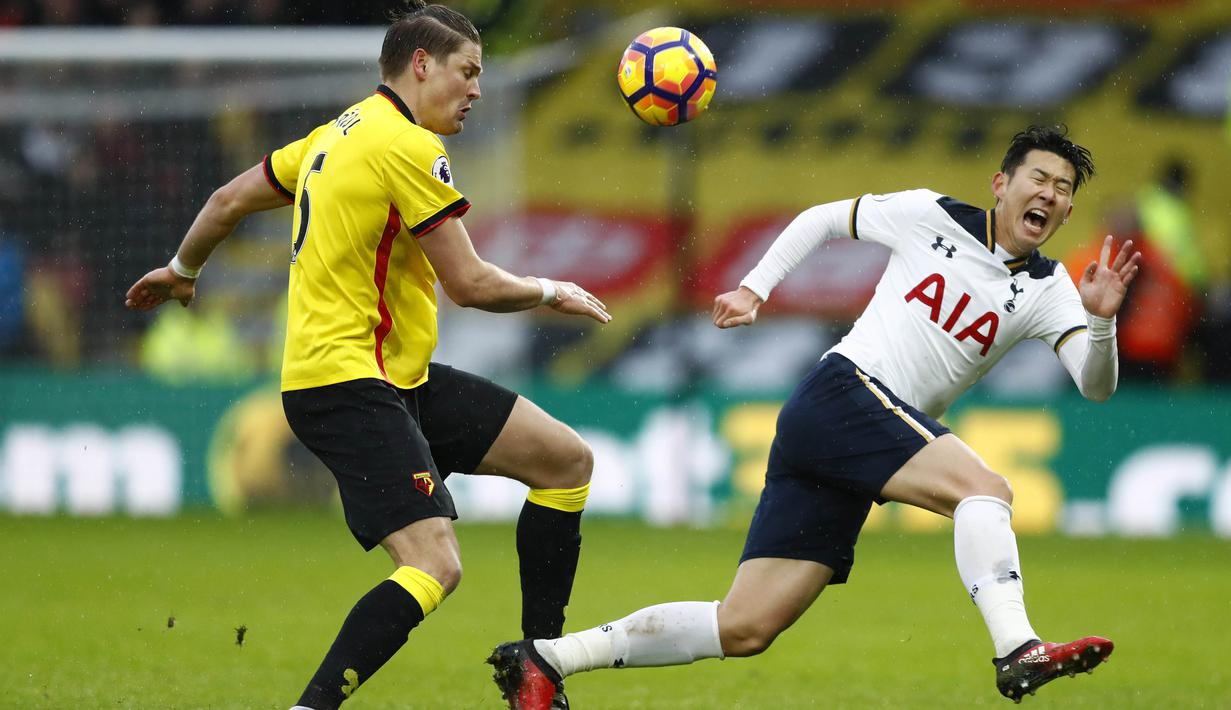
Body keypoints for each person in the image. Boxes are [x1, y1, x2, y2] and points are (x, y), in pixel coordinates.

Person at [488, 125, 1141, 707]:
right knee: (986, 490)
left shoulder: (1052, 288)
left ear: (1067, 211)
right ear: (1001, 184)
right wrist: (754, 287)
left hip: (855, 437)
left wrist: (1102, 324)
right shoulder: (928, 214)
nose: (1048, 194)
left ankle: (546, 660)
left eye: (1062, 189)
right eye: (1038, 178)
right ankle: (1017, 648)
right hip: (843, 394)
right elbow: (824, 219)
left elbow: (1094, 387)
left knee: (745, 626)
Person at [124, 3, 610, 709]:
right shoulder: (406, 146)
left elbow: (227, 200)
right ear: (422, 65)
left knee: (565, 461)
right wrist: (550, 289)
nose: (476, 90)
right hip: (347, 382)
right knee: (434, 564)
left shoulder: (334, 134)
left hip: (393, 378)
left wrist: (182, 270)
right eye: (467, 71)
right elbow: (470, 285)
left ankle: (539, 672)